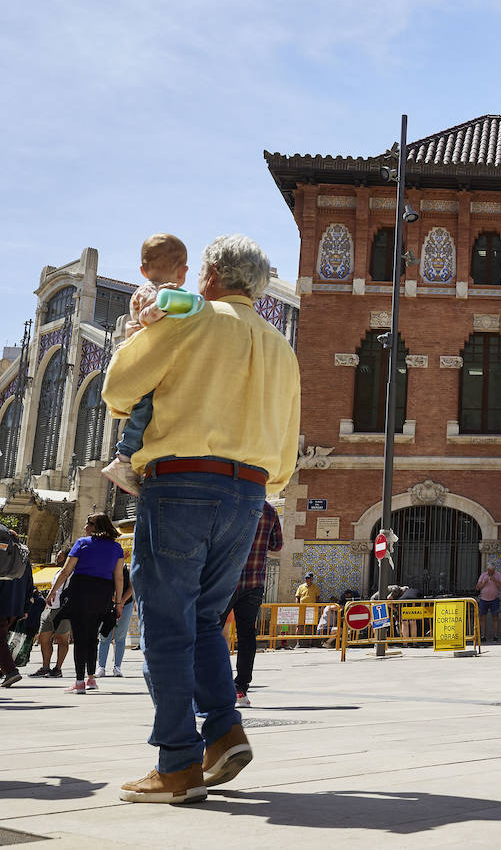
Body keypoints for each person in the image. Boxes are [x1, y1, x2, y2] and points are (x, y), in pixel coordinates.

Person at [103, 234, 300, 803]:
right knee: (207, 617)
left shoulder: (189, 319)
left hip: (184, 481)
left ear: (210, 275)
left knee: (166, 622)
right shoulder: (279, 344)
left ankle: (177, 765)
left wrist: (140, 332)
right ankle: (221, 732)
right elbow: (287, 443)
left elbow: (119, 390)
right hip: (252, 493)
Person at [101, 233, 190, 497]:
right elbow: (148, 315)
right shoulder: (151, 291)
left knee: (150, 408)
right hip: (145, 361)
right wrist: (166, 303)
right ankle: (124, 458)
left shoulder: (159, 290)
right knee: (144, 407)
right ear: (183, 272)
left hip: (150, 359)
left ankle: (134, 459)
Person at [46, 514, 125, 694]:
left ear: (96, 526)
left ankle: (79, 681)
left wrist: (53, 592)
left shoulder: (82, 543)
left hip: (81, 590)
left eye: (88, 523)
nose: (85, 526)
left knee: (80, 636)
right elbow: (119, 577)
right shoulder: (116, 548)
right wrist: (118, 602)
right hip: (103, 593)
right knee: (92, 636)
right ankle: (91, 679)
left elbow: (66, 571)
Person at [216, 502, 282, 708]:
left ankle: (213, 683)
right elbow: (277, 545)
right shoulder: (270, 511)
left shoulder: (232, 503)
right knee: (247, 635)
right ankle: (240, 689)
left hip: (226, 580)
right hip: (254, 582)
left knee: (212, 632)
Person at [29, 549, 72, 679]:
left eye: (59, 556)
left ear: (66, 558)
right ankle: (45, 667)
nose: (57, 558)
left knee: (62, 639)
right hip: (50, 608)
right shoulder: (57, 572)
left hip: (63, 609)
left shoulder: (72, 572)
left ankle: (58, 668)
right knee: (43, 638)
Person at [0, 525, 34, 687]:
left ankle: (10, 671)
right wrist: (25, 607)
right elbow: (29, 583)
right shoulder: (21, 555)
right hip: (13, 605)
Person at [97, 561, 134, 678]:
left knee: (120, 636)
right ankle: (101, 667)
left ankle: (117, 667)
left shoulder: (127, 569)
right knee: (104, 636)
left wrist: (121, 601)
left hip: (126, 603)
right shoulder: (104, 567)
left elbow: (132, 587)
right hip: (107, 604)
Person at [476, 564, 501, 642]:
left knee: (495, 617)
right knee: (482, 617)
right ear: (487, 570)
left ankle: (495, 636)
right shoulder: (483, 575)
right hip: (483, 599)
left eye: (491, 571)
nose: (490, 572)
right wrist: (484, 583)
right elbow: (477, 587)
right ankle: (483, 636)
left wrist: (495, 580)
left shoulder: (498, 575)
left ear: (494, 570)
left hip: (494, 599)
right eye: (489, 570)